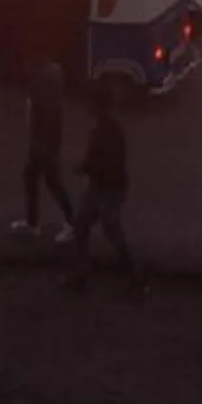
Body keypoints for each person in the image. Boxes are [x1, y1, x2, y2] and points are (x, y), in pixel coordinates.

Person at [70, 81, 142, 295]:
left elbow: (108, 162)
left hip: (108, 188)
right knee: (86, 225)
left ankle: (133, 276)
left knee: (105, 230)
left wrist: (85, 167)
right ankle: (86, 274)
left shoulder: (105, 128)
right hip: (106, 187)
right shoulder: (108, 126)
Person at [12, 59, 75, 240]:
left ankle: (71, 223)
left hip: (44, 142)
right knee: (32, 176)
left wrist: (43, 145)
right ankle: (33, 223)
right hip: (41, 140)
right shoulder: (45, 79)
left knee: (51, 180)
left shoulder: (42, 83)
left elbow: (47, 117)